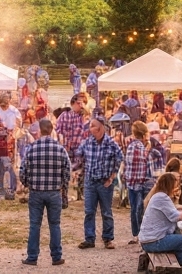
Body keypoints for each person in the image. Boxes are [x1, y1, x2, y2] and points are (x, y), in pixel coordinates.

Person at [19, 118, 71, 266]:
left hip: (36, 192)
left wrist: (28, 183)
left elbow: (22, 171)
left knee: (35, 224)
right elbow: (67, 171)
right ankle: (56, 257)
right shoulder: (60, 148)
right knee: (54, 224)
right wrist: (63, 187)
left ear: (40, 131)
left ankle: (32, 257)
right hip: (54, 192)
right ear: (51, 130)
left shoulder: (31, 148)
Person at [76, 118, 123, 249]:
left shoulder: (111, 143)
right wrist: (79, 168)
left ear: (101, 127)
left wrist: (112, 176)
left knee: (106, 212)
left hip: (104, 183)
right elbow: (78, 155)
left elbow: (120, 158)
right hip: (90, 182)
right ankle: (89, 239)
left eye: (92, 126)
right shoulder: (87, 142)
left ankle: (108, 239)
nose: (90, 128)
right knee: (89, 211)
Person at [138, 172, 182, 264]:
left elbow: (172, 210)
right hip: (153, 242)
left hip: (148, 239)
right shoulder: (162, 197)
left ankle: (181, 263)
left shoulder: (158, 196)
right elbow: (176, 217)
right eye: (175, 185)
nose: (176, 188)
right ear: (169, 185)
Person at [122, 121, 155, 241]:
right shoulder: (139, 147)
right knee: (140, 210)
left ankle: (136, 234)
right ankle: (141, 235)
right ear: (144, 134)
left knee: (134, 209)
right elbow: (142, 161)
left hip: (131, 183)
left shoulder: (131, 145)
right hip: (140, 183)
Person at [55, 95, 90, 203]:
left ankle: (80, 193)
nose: (81, 106)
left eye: (83, 103)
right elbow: (57, 130)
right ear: (73, 103)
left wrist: (86, 115)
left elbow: (89, 131)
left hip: (80, 148)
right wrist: (61, 142)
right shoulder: (65, 115)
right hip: (67, 147)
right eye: (79, 103)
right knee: (66, 170)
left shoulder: (85, 117)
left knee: (82, 170)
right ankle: (65, 193)